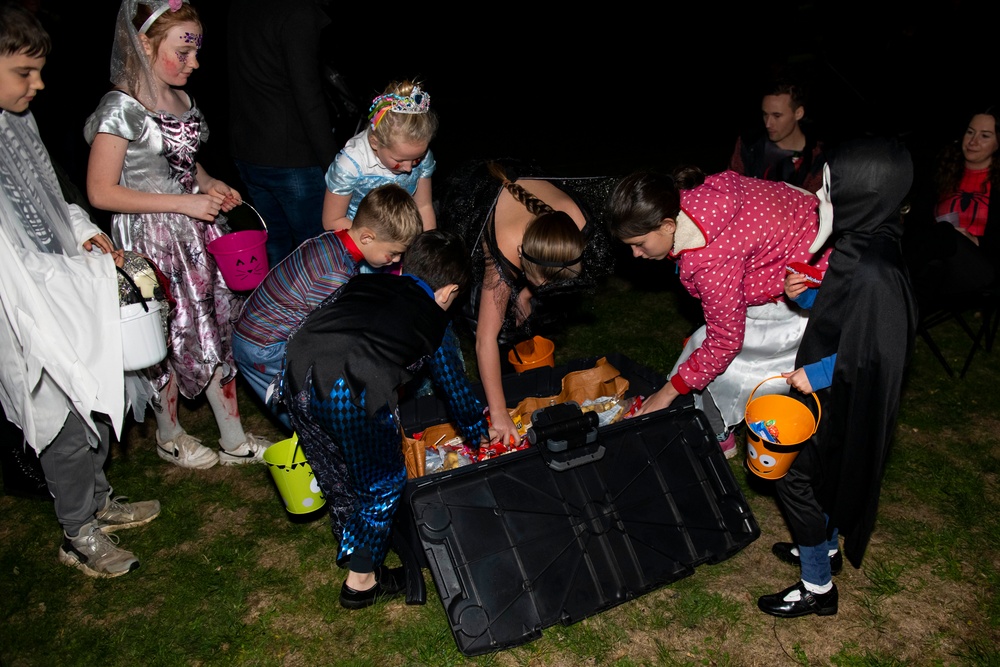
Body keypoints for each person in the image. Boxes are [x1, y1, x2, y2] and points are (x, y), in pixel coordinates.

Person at [0, 1, 159, 577]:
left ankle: (98, 501)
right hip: (25, 316)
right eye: (24, 72)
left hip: (67, 292)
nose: (38, 85)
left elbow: (53, 199)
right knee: (61, 422)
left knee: (91, 401)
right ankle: (79, 532)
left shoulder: (16, 121)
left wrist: (87, 235)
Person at [84, 0, 270, 469]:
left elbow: (182, 164)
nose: (194, 63)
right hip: (151, 241)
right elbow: (101, 191)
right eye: (182, 52)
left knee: (213, 326)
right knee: (164, 335)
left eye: (196, 51)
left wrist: (207, 184)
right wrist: (183, 202)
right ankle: (169, 435)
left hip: (197, 237)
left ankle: (232, 435)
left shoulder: (182, 100)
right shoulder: (121, 107)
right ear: (144, 45)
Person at [279, 230, 496, 609]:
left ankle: (352, 538)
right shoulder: (434, 319)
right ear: (447, 293)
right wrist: (479, 434)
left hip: (296, 369)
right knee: (383, 482)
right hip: (353, 387)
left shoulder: (364, 283)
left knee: (336, 468)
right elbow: (456, 392)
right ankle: (361, 582)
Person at [758, 136, 918, 618]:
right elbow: (848, 316)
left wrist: (818, 372)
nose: (822, 199)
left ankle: (817, 587)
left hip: (840, 393)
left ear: (861, 194)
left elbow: (880, 350)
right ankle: (822, 546)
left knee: (794, 479)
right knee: (823, 474)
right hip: (833, 393)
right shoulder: (865, 242)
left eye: (831, 189)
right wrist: (806, 295)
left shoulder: (874, 266)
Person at [607, 167, 831, 457]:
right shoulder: (698, 195)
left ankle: (719, 433)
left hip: (813, 282)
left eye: (639, 244)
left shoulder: (710, 261)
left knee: (719, 359)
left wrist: (667, 393)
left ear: (667, 225)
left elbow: (726, 342)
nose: (636, 254)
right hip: (810, 232)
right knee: (707, 344)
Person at [439, 159, 617, 445]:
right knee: (482, 317)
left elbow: (549, 278)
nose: (548, 290)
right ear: (521, 255)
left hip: (530, 207)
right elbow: (485, 339)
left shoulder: (580, 225)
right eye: (538, 281)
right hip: (484, 204)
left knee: (530, 300)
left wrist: (527, 293)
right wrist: (498, 413)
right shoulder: (503, 250)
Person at [232, 183, 423, 429]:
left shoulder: (334, 242)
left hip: (261, 332)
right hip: (263, 345)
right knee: (305, 412)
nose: (396, 261)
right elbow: (328, 336)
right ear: (367, 237)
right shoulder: (334, 274)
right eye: (394, 253)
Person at [227, 0, 339, 268]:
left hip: (246, 150)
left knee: (274, 247)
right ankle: (316, 310)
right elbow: (307, 94)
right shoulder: (297, 11)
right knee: (316, 253)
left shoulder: (240, 6)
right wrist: (334, 165)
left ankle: (276, 307)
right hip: (293, 158)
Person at [905, 107, 998, 301]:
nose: (973, 141)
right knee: (932, 253)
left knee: (945, 233)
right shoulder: (942, 172)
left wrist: (976, 241)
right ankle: (905, 312)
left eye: (985, 136)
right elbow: (917, 221)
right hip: (935, 261)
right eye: (970, 132)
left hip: (981, 266)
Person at [323, 79, 437, 232]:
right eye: (399, 160)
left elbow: (424, 206)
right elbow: (332, 220)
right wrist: (386, 237)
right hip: (359, 241)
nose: (409, 168)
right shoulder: (351, 164)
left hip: (403, 237)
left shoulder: (420, 153)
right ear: (375, 142)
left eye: (416, 159)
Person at [729, 79, 826, 194]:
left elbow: (815, 203)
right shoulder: (748, 144)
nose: (768, 123)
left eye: (777, 116)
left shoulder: (819, 156)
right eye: (765, 114)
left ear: (798, 113)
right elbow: (731, 187)